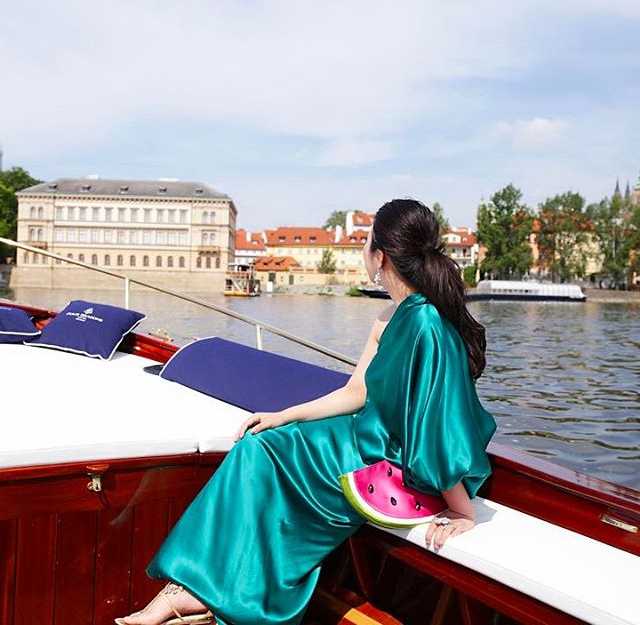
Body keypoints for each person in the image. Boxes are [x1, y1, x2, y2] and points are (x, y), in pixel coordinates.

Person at [116, 198, 497, 625]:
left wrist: (462, 510)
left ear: (381, 257)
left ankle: (213, 599)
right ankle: (189, 590)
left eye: (367, 241)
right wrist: (285, 415)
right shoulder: (389, 316)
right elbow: (355, 392)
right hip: (360, 436)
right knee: (258, 446)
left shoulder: (427, 323)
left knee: (264, 458)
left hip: (389, 459)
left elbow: (439, 423)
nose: (364, 250)